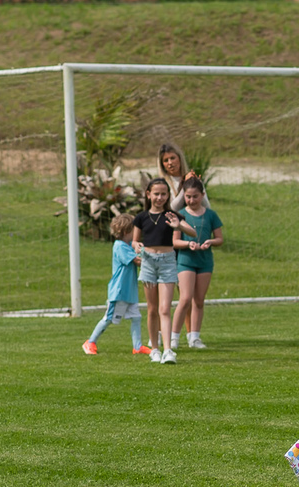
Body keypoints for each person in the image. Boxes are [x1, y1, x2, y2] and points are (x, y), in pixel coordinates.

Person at [132, 178, 195, 364]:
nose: (160, 197)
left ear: (168, 196)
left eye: (163, 194)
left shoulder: (172, 215)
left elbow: (192, 232)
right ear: (148, 194)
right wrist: (136, 246)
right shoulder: (141, 217)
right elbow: (135, 241)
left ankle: (168, 350)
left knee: (164, 308)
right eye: (156, 194)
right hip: (149, 263)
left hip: (168, 262)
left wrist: (178, 226)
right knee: (152, 309)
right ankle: (155, 349)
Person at [82, 213, 149, 356]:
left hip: (129, 291)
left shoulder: (128, 246)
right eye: (134, 230)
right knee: (108, 318)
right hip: (119, 291)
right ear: (126, 231)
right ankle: (90, 342)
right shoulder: (119, 246)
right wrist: (149, 254)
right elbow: (138, 261)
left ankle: (137, 347)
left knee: (136, 317)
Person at [170, 176, 224, 351]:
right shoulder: (181, 215)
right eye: (188, 196)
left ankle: (194, 337)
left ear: (202, 195)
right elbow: (175, 242)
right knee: (185, 299)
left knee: (199, 300)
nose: (191, 200)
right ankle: (174, 338)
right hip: (185, 261)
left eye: (195, 196)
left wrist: (210, 242)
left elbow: (220, 239)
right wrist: (188, 244)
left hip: (205, 262)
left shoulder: (211, 215)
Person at [158, 143, 211, 211]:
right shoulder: (162, 183)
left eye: (172, 158)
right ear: (162, 164)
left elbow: (207, 207)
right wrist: (185, 185)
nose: (170, 163)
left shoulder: (191, 178)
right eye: (166, 160)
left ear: (179, 159)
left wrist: (198, 185)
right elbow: (172, 209)